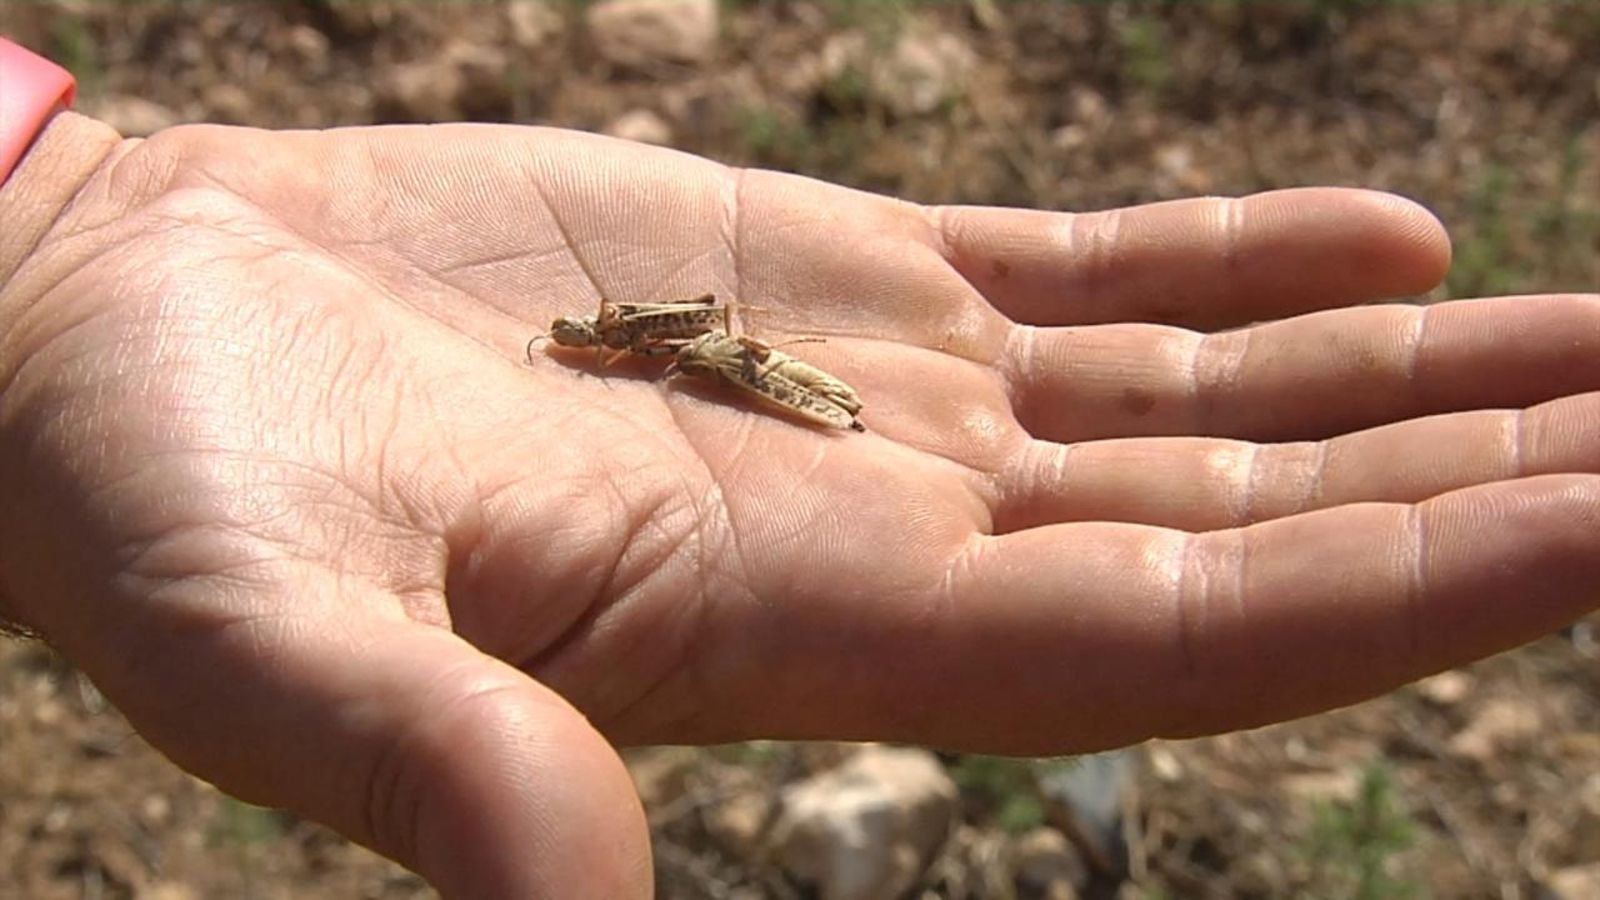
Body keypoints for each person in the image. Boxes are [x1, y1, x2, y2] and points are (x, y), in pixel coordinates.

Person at [5, 48, 1600, 900]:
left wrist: (51, 218)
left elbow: (683, 348)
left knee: (788, 388)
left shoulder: (654, 341)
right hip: (690, 355)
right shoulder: (585, 344)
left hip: (735, 366)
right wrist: (56, 254)